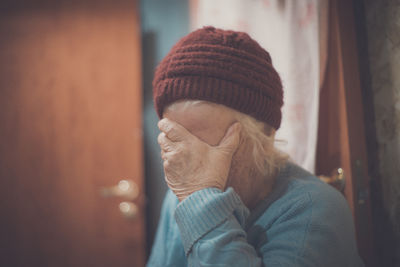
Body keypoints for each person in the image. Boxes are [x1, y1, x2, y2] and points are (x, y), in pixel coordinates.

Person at [147, 26, 364, 267]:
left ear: (265, 135)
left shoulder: (316, 210)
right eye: (178, 142)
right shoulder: (181, 194)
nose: (189, 162)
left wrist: (201, 203)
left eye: (210, 146)